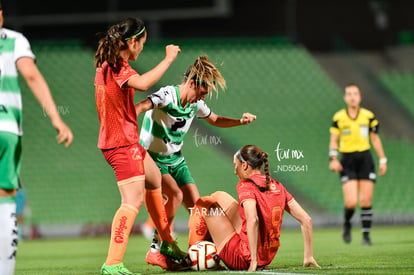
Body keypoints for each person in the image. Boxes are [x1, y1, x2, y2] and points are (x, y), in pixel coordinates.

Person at [134, 55, 256, 270]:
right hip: (152, 159)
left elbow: (215, 120)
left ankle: (200, 253)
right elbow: (141, 106)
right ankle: (156, 250)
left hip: (176, 160)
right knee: (175, 195)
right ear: (191, 83)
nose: (201, 98)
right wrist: (123, 127)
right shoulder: (167, 95)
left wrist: (240, 121)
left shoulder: (196, 104)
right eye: (201, 92)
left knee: (198, 209)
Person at [94, 17, 187, 275]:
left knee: (156, 180)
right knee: (132, 201)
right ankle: (112, 263)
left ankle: (165, 244)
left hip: (125, 140)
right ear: (132, 41)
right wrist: (168, 59)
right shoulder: (117, 67)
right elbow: (144, 83)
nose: (142, 49)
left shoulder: (106, 65)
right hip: (121, 144)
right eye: (142, 44)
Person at [0, 2, 74, 274]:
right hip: (6, 127)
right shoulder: (15, 40)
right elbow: (31, 75)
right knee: (6, 197)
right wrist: (56, 119)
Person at [187, 145, 320, 271]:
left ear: (244, 165)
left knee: (204, 203)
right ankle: (206, 248)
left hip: (242, 257)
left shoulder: (245, 185)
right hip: (266, 256)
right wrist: (308, 256)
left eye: (236, 166)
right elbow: (306, 219)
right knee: (219, 196)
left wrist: (253, 261)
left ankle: (191, 254)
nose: (234, 172)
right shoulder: (277, 186)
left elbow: (253, 220)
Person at [329, 84, 387, 246]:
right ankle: (347, 224)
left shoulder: (368, 116)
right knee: (351, 202)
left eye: (355, 93)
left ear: (360, 97)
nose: (352, 96)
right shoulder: (339, 117)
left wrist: (383, 159)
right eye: (349, 94)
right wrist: (333, 159)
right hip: (347, 160)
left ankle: (366, 237)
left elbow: (375, 139)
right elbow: (334, 140)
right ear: (345, 98)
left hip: (365, 160)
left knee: (366, 201)